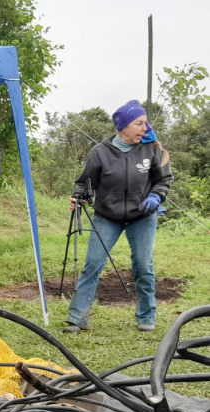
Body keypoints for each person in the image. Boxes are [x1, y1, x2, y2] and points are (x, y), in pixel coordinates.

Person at [63, 99, 172, 334]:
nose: (145, 128)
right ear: (123, 126)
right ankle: (77, 317)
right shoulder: (100, 152)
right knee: (93, 263)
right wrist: (78, 197)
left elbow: (163, 180)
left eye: (145, 123)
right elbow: (85, 183)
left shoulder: (151, 149)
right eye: (139, 123)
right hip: (106, 217)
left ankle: (146, 316)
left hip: (142, 216)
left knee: (143, 265)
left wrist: (155, 197)